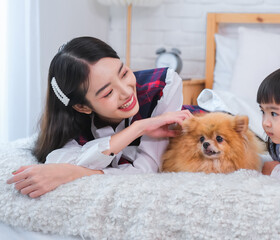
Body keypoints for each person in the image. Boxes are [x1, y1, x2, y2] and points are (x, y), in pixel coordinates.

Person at [6, 36, 192, 197]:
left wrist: (72, 173)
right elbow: (58, 160)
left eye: (124, 73)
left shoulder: (164, 85)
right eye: (108, 93)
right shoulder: (73, 121)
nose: (126, 92)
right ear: (82, 107)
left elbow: (147, 171)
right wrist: (138, 128)